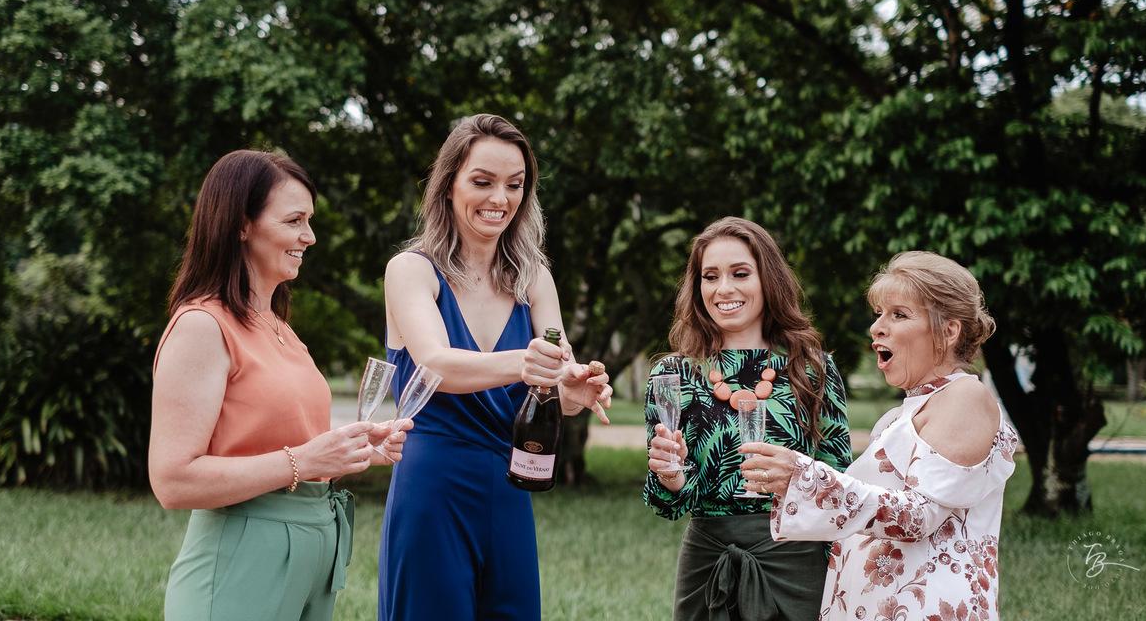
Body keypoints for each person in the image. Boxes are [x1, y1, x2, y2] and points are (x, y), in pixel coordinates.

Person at [149, 150, 409, 621]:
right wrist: (305, 460)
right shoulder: (202, 326)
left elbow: (282, 442)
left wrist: (352, 451)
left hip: (313, 556)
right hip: (241, 562)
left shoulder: (281, 327)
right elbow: (172, 481)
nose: (309, 237)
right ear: (241, 224)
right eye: (294, 220)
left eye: (309, 220)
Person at [377, 113, 613, 621]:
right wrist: (529, 363)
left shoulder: (534, 278)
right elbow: (438, 365)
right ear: (448, 186)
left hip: (511, 485)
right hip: (432, 483)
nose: (499, 199)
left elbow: (556, 384)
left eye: (514, 185)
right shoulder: (412, 271)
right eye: (482, 182)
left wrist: (576, 388)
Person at [743, 251, 1018, 621]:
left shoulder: (964, 397)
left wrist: (806, 479)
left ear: (949, 331)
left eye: (899, 314)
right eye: (878, 314)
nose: (877, 328)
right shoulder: (903, 414)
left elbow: (920, 517)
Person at [644, 217, 852, 621]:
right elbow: (665, 504)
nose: (724, 289)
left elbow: (839, 479)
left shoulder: (812, 369)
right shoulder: (673, 375)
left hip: (796, 561)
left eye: (740, 273)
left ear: (767, 279)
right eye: (710, 276)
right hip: (707, 561)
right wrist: (670, 477)